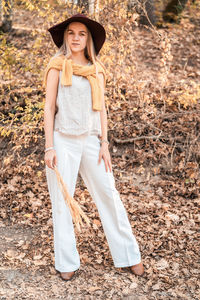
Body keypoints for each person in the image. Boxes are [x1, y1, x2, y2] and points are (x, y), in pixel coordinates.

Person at [43, 13, 144, 281]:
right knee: (63, 202)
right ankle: (66, 261)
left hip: (91, 140)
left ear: (88, 39)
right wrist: (49, 147)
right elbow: (49, 108)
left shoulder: (97, 69)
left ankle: (129, 255)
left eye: (81, 34)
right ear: (65, 37)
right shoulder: (56, 65)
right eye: (71, 33)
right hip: (63, 139)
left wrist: (105, 144)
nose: (76, 38)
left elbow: (101, 110)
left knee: (109, 194)